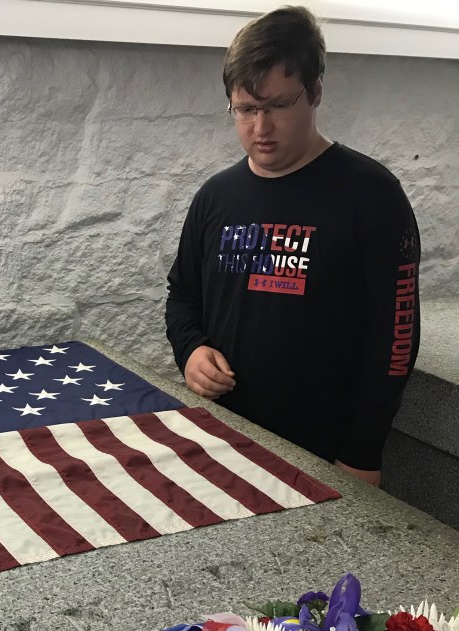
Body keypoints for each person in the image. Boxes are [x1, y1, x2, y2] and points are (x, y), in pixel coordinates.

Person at [165, 5, 420, 486]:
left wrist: (362, 452)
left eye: (278, 106)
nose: (260, 128)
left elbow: (396, 337)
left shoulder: (371, 195)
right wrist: (191, 351)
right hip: (223, 436)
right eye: (245, 109)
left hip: (326, 450)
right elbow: (182, 296)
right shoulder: (215, 197)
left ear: (315, 91)